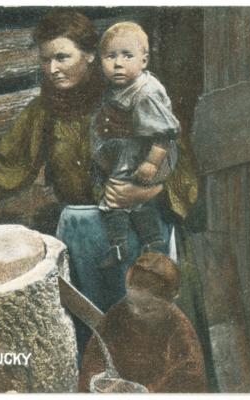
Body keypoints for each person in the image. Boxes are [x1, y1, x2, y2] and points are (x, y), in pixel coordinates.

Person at [0, 10, 216, 389]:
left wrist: (144, 190)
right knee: (93, 335)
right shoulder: (45, 110)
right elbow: (9, 165)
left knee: (149, 327)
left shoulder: (130, 97)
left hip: (140, 226)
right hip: (80, 237)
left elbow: (179, 162)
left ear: (91, 55)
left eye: (62, 57)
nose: (52, 69)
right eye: (45, 60)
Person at [91, 22, 180, 268]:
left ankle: (124, 247)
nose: (118, 63)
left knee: (115, 198)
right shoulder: (119, 87)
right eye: (110, 56)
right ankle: (146, 244)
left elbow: (165, 133)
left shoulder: (146, 92)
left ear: (144, 60)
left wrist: (151, 163)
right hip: (131, 151)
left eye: (127, 55)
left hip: (152, 153)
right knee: (132, 200)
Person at [78, 252, 207, 392]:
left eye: (147, 309)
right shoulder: (119, 314)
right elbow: (96, 353)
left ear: (169, 303)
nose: (136, 312)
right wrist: (98, 379)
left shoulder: (179, 329)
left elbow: (189, 379)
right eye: (132, 303)